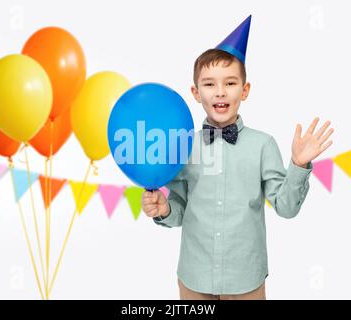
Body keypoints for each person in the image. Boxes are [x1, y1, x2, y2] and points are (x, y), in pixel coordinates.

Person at [142, 15, 334, 300]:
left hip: (246, 280)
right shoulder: (183, 146)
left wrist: (298, 164)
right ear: (195, 93)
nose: (220, 91)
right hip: (194, 278)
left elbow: (286, 208)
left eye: (230, 83)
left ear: (244, 90)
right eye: (209, 84)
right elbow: (180, 209)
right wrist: (164, 210)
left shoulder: (263, 145)